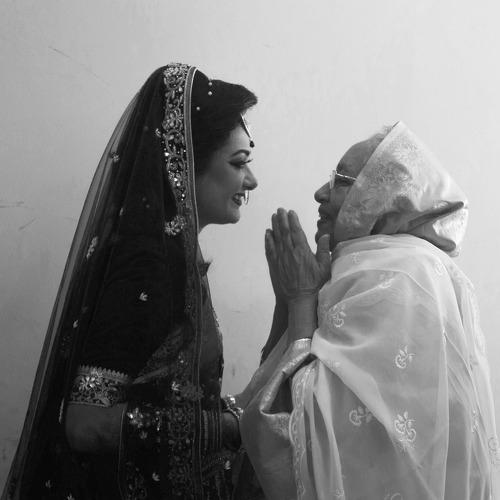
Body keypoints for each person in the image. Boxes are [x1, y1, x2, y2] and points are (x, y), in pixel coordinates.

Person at [3, 63, 258, 500]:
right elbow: (85, 424)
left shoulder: (180, 260)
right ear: (183, 162)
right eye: (238, 163)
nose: (251, 180)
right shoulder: (148, 267)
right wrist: (225, 429)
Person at [237, 122, 499, 499]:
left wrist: (301, 301)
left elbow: (312, 436)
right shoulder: (372, 267)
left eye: (340, 180)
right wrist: (289, 302)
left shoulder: (401, 276)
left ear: (384, 195)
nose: (320, 192)